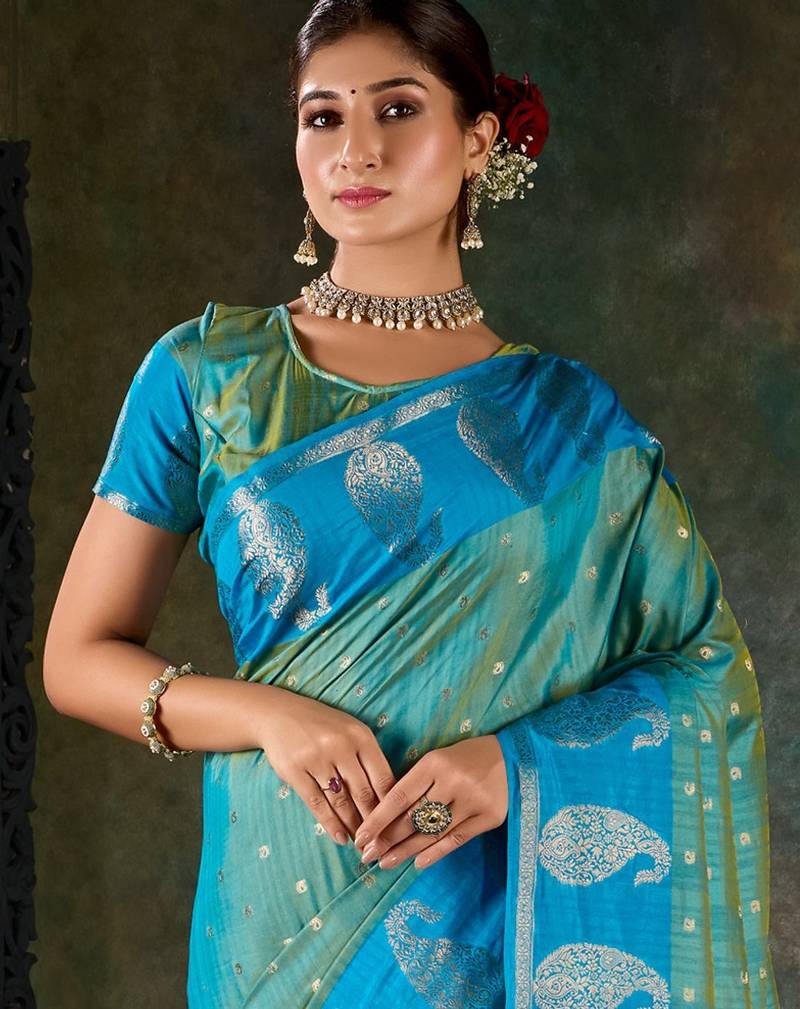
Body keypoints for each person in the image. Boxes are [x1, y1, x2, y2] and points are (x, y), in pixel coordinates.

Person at [43, 2, 782, 1007]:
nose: (356, 148)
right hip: (276, 908)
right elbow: (76, 658)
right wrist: (266, 716)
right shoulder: (208, 376)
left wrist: (516, 767)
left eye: (396, 108)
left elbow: (701, 670)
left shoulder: (566, 420)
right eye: (322, 116)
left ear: (478, 140)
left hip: (487, 907)